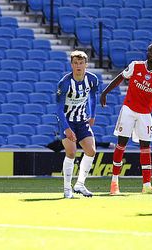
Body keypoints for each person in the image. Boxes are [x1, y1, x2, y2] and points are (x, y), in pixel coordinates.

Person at [100, 43, 152, 195]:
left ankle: (147, 186)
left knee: (145, 148)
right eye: (150, 50)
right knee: (121, 144)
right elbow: (120, 78)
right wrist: (105, 92)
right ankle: (114, 183)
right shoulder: (135, 66)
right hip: (128, 110)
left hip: (145, 114)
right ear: (146, 52)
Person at [56, 50, 99, 199]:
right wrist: (66, 128)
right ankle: (67, 189)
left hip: (81, 120)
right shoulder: (65, 83)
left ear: (86, 65)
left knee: (91, 151)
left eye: (81, 63)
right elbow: (59, 109)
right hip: (66, 120)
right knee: (71, 152)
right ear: (71, 65)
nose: (78, 66)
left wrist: (92, 115)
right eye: (75, 63)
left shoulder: (92, 79)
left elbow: (93, 97)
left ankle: (80, 184)